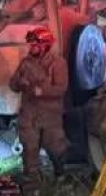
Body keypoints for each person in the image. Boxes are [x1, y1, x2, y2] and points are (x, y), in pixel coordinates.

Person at [9, 26, 69, 183]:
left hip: (50, 117)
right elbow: (13, 85)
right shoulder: (25, 63)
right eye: (30, 45)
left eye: (34, 45)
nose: (31, 48)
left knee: (56, 148)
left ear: (45, 45)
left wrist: (41, 91)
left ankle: (61, 177)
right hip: (29, 115)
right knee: (29, 148)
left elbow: (61, 88)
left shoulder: (58, 63)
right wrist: (19, 83)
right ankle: (33, 182)